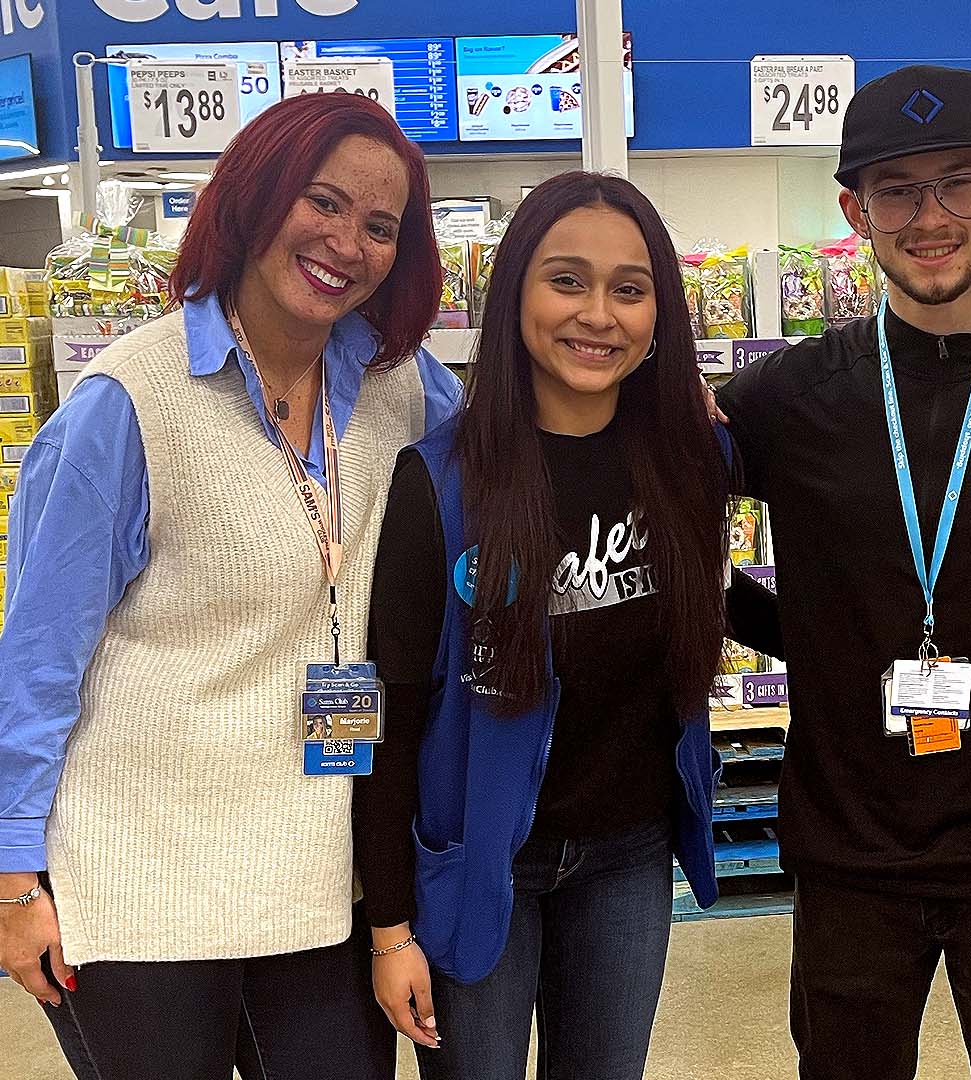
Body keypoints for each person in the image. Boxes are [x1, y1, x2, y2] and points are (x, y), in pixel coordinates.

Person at [0, 92, 462, 1080]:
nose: (346, 243)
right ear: (255, 196)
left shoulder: (401, 389)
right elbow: (36, 659)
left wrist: (665, 409)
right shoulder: (129, 402)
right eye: (323, 202)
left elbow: (513, 456)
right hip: (146, 879)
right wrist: (9, 879)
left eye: (381, 226)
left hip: (324, 872)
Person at [715, 66, 971, 1080]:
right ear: (856, 212)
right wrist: (799, 636)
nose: (930, 218)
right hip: (851, 848)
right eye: (896, 191)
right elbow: (659, 508)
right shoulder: (789, 397)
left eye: (958, 183)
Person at [352, 170, 779, 1080]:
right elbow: (394, 715)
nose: (598, 314)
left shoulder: (688, 458)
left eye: (630, 289)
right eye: (567, 281)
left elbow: (717, 592)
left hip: (630, 853)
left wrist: (874, 640)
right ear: (515, 294)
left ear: (660, 314)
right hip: (479, 862)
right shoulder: (441, 482)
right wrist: (389, 927)